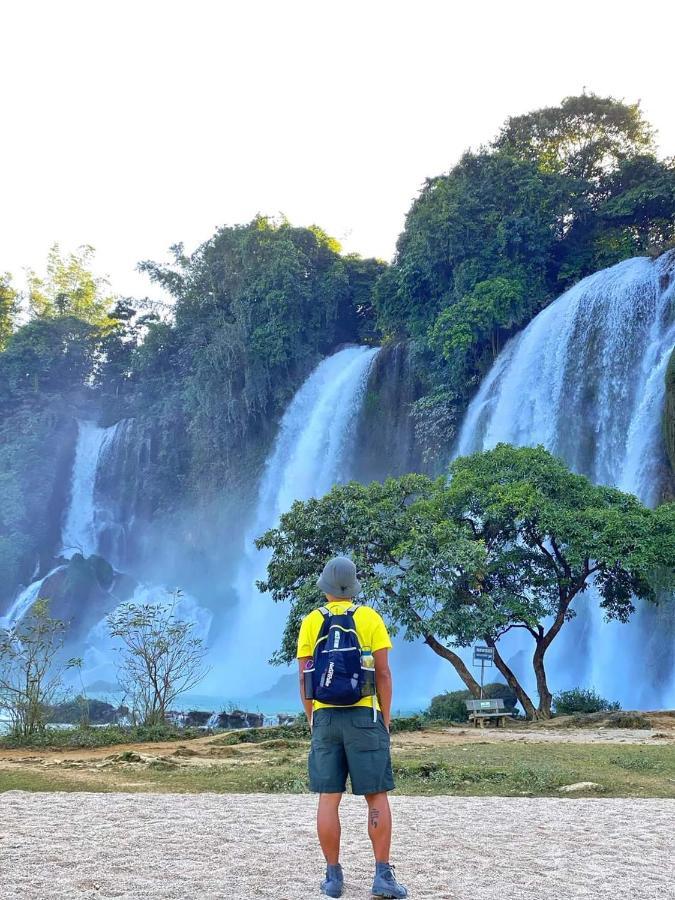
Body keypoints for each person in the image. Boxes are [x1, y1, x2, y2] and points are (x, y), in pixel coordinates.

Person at [297, 555, 408, 899]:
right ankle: (382, 875)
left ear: (326, 588)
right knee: (376, 796)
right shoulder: (370, 618)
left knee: (328, 799)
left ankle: (333, 878)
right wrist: (384, 719)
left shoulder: (312, 621)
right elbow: (384, 674)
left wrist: (312, 718)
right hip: (365, 717)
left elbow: (305, 678)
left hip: (326, 719)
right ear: (354, 585)